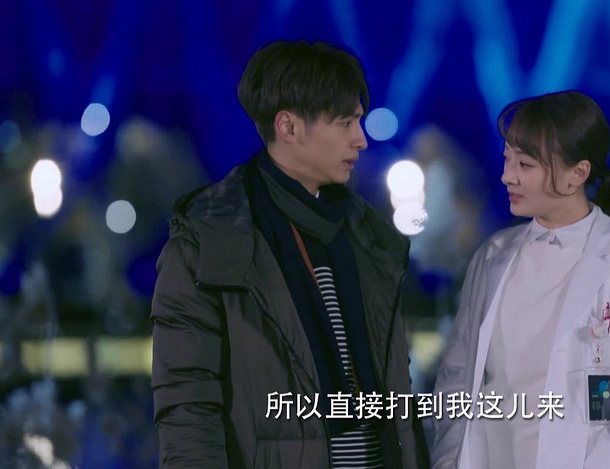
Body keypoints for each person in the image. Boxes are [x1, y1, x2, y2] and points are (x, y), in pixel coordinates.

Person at [150, 40, 428, 468]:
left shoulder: (369, 238)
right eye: (345, 123)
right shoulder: (208, 242)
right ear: (289, 127)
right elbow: (187, 404)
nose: (361, 140)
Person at [430, 91, 610, 468]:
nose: (507, 175)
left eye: (525, 164)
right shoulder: (493, 255)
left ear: (576, 174)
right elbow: (457, 377)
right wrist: (449, 459)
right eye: (507, 159)